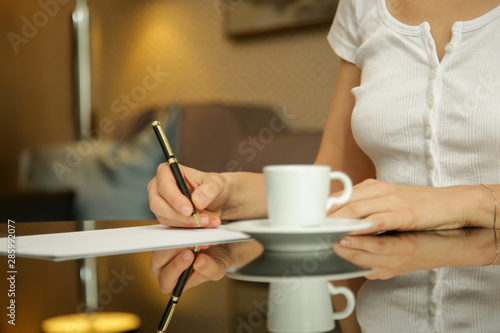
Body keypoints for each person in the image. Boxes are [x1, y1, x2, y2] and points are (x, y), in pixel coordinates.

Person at [148, 0, 500, 331]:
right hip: (382, 304)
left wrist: (465, 203)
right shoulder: (360, 7)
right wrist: (227, 194)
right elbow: (340, 184)